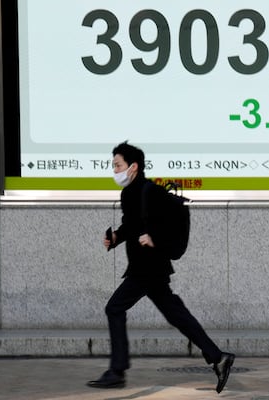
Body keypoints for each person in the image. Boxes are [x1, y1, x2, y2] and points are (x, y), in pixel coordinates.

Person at [87, 142, 235, 393]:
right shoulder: (129, 193)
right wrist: (115, 238)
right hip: (147, 268)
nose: (114, 170)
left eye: (118, 165)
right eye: (113, 165)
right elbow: (131, 225)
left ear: (133, 167)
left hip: (149, 267)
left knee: (114, 308)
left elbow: (172, 221)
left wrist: (156, 239)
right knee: (176, 315)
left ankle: (117, 371)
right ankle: (218, 358)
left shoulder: (150, 191)